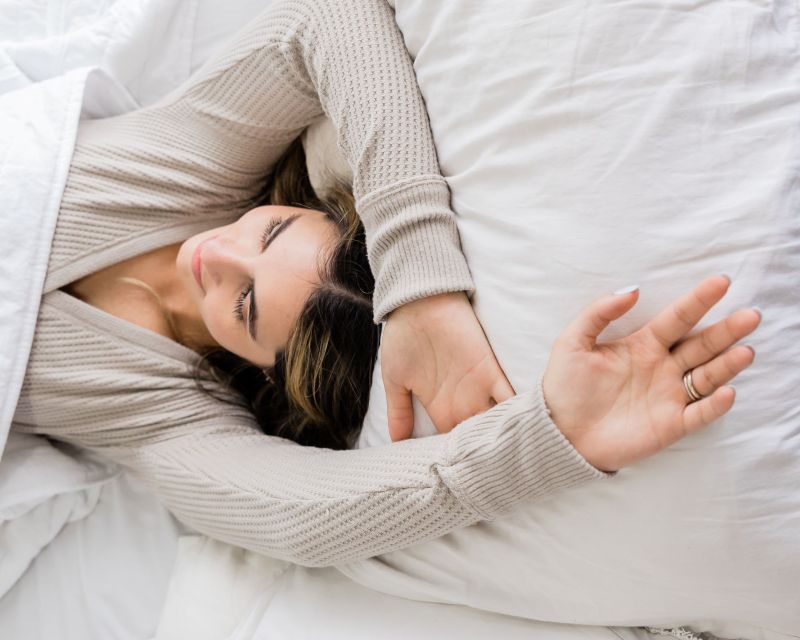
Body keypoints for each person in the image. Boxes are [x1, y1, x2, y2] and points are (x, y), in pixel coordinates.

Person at [11, 0, 759, 567]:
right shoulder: (193, 167)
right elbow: (330, 19)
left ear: (259, 369)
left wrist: (548, 438)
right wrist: (421, 279)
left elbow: (301, 517)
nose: (218, 256)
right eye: (269, 232)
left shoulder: (166, 416)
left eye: (244, 305)